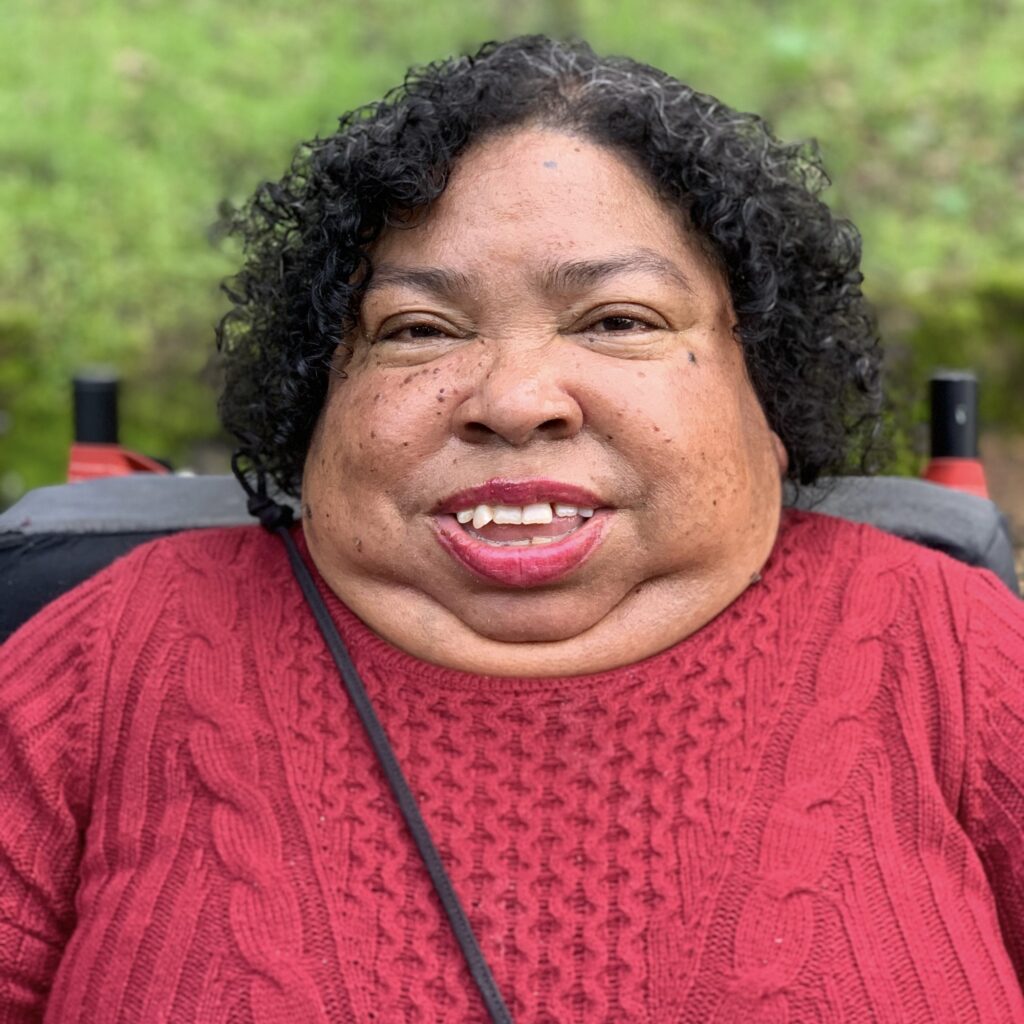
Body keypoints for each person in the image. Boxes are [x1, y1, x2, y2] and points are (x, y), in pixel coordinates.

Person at [1, 35, 1022, 1024]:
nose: (516, 397)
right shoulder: (109, 653)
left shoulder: (957, 650)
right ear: (322, 395)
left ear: (767, 390)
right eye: (419, 330)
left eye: (617, 320)